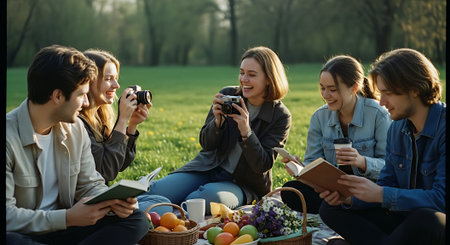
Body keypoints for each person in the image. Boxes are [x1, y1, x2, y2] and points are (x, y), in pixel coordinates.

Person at [6, 45, 149, 244]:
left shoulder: (75, 129)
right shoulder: (9, 138)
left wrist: (114, 201)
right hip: (27, 231)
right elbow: (8, 216)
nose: (85, 104)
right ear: (57, 96)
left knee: (136, 220)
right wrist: (67, 217)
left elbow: (90, 184)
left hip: (68, 227)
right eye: (81, 95)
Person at [138, 46, 292, 214]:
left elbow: (262, 164)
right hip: (207, 168)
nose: (244, 79)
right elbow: (206, 143)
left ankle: (172, 219)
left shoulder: (280, 116)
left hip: (241, 184)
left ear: (269, 79)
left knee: (197, 202)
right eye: (241, 73)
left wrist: (246, 132)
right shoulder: (228, 95)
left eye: (252, 75)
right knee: (155, 191)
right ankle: (131, 213)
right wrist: (217, 124)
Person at [319, 48, 446, 245]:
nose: (381, 101)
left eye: (387, 93)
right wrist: (350, 199)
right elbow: (387, 183)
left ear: (415, 89)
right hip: (403, 218)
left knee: (429, 219)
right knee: (332, 208)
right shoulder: (397, 128)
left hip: (435, 224)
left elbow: (441, 200)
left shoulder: (443, 128)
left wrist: (381, 194)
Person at [280, 55, 391, 214]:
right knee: (290, 191)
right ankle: (340, 209)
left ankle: (345, 209)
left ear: (353, 88)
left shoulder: (378, 115)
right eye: (322, 88)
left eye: (332, 89)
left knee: (372, 204)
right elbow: (313, 161)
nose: (325, 95)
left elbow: (390, 167)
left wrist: (362, 161)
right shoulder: (319, 117)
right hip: (332, 191)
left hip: (367, 192)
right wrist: (301, 168)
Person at [81, 49, 171, 215]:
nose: (116, 86)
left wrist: (132, 125)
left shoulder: (100, 116)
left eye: (116, 78)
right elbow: (107, 171)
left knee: (161, 202)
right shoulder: (80, 124)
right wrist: (122, 120)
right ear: (89, 82)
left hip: (104, 196)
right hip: (89, 205)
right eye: (108, 79)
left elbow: (120, 165)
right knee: (161, 209)